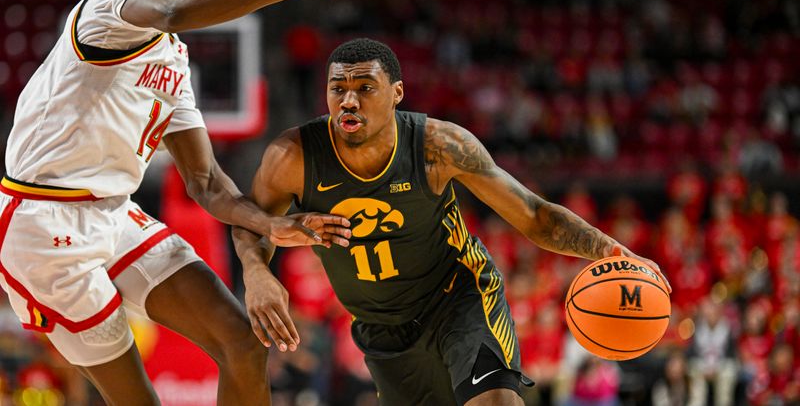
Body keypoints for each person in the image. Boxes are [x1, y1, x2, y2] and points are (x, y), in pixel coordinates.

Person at [0, 0, 353, 405]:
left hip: (113, 215)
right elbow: (171, 10)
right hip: (42, 223)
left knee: (244, 343)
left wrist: (271, 224)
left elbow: (208, 182)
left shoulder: (174, 61)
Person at [233, 38, 671, 406]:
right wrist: (256, 273)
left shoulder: (438, 145)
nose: (348, 99)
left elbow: (535, 215)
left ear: (397, 92)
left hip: (457, 298)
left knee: (495, 402)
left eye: (365, 87)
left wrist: (611, 250)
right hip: (381, 327)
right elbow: (251, 220)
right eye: (337, 88)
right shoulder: (293, 157)